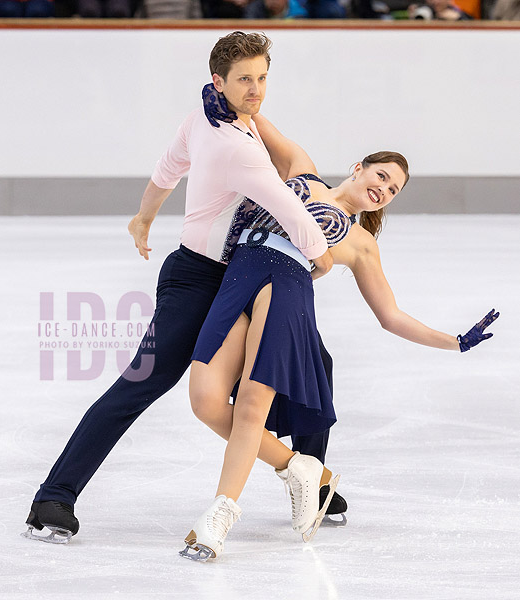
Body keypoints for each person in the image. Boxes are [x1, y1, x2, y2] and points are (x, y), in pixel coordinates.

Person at [22, 31, 347, 546]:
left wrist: (143, 217)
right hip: (198, 278)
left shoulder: (213, 115)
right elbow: (286, 208)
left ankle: (314, 481)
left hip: (242, 274)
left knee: (312, 361)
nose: (256, 89)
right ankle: (54, 497)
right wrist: (321, 253)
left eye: (262, 78)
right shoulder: (231, 142)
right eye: (245, 80)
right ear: (219, 80)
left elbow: (167, 168)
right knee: (144, 381)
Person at [178, 101, 499, 561]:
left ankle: (220, 514)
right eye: (382, 176)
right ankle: (301, 468)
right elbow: (254, 120)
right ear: (359, 168)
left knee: (251, 403)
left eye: (394, 189)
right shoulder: (302, 173)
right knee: (206, 403)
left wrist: (456, 341)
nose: (384, 189)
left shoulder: (361, 243)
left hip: (284, 289)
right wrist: (222, 94)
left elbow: (390, 315)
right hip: (235, 281)